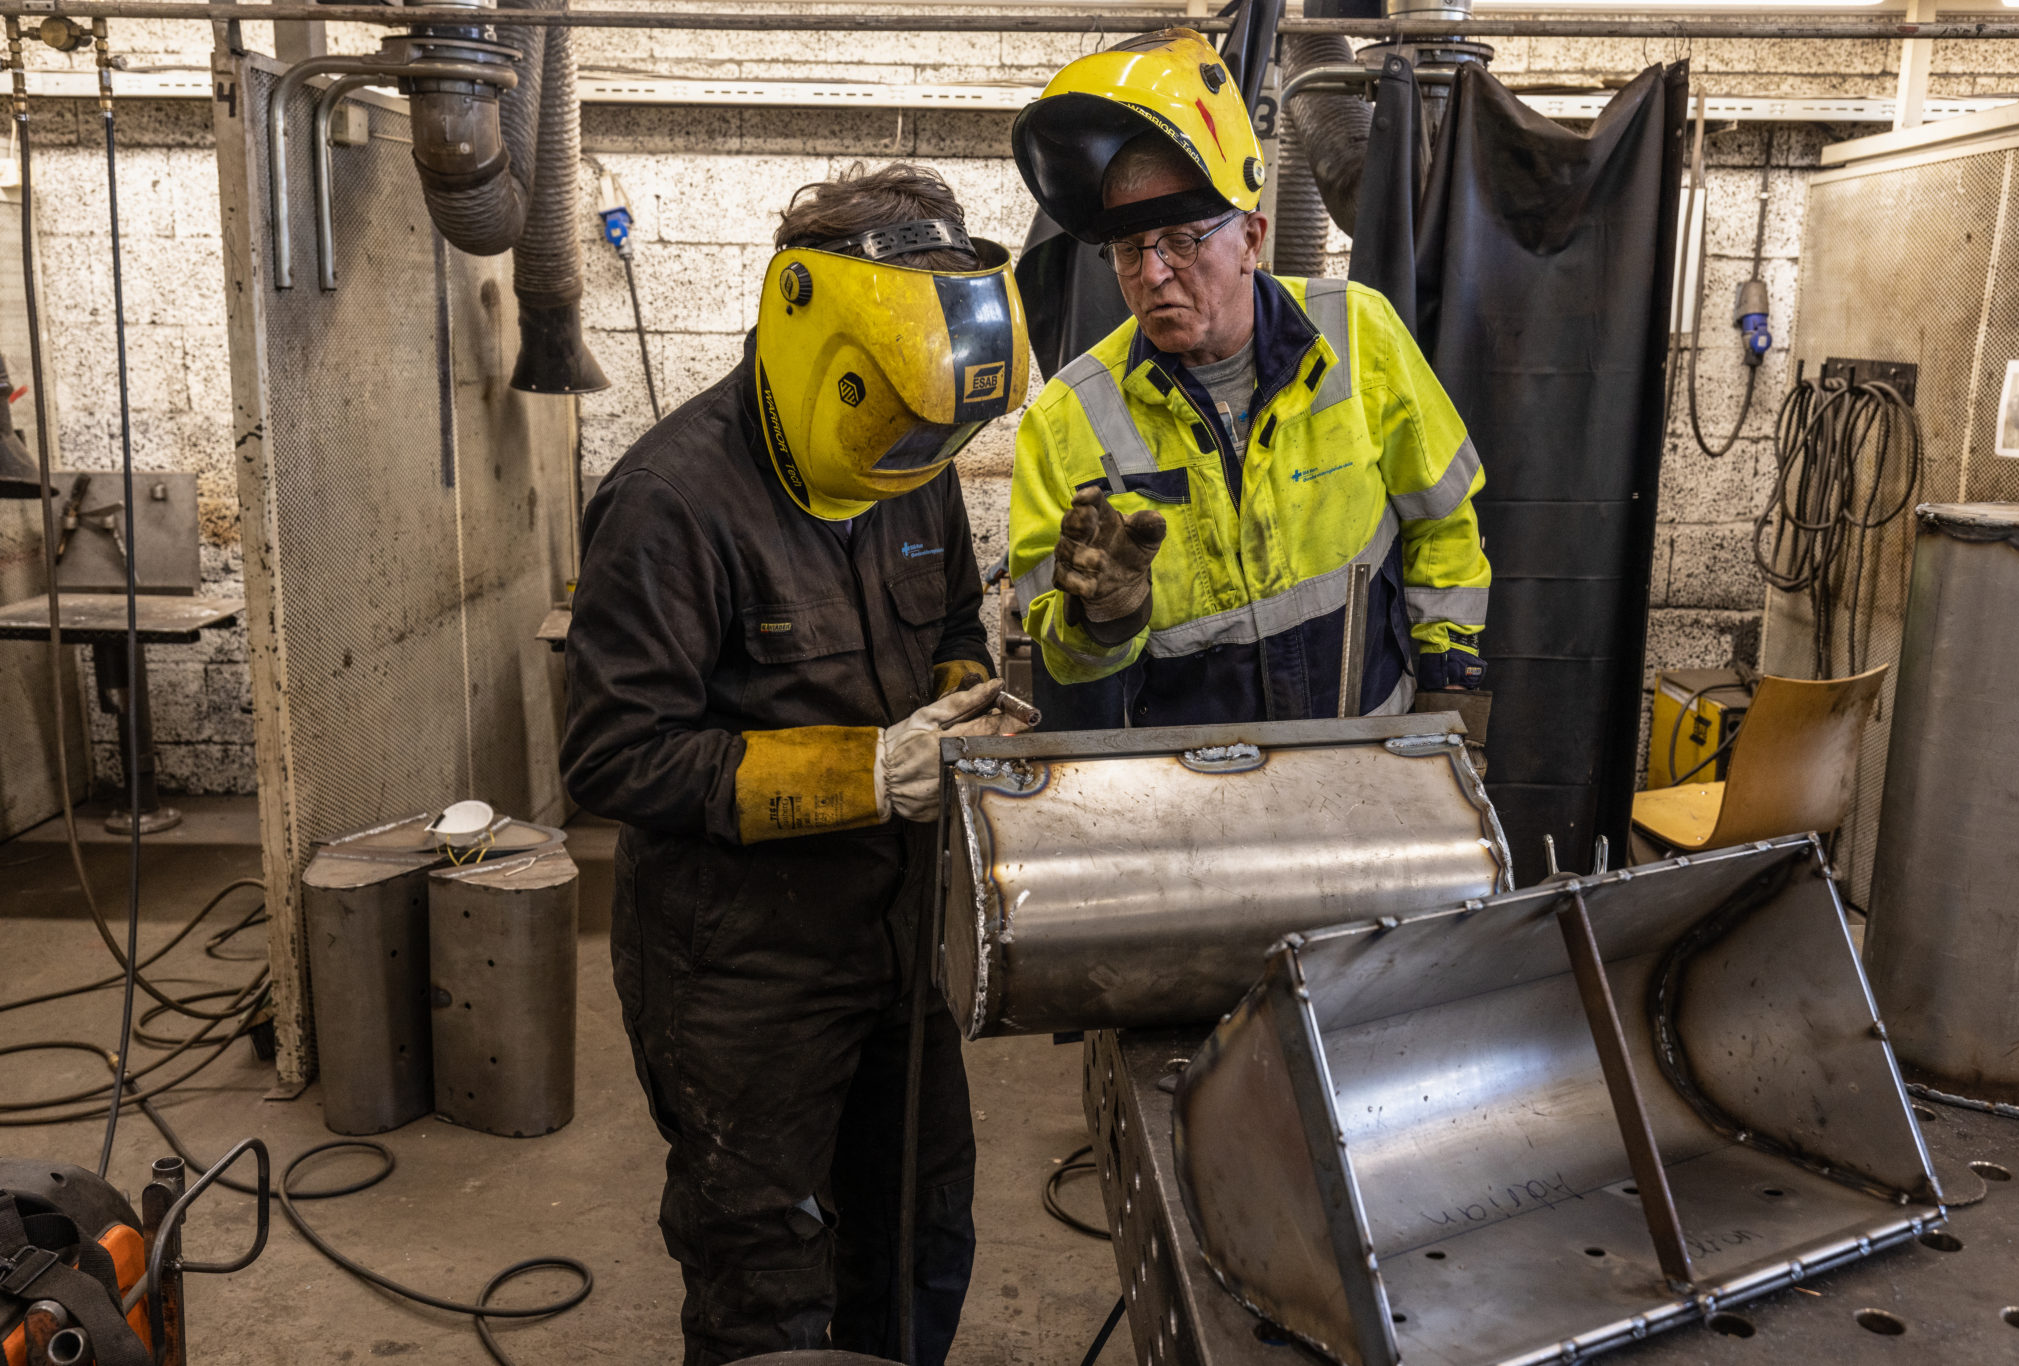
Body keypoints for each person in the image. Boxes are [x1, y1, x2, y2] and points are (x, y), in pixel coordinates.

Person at [559, 162, 1029, 1365]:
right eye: (903, 420)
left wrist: (956, 712)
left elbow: (952, 630)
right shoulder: (671, 502)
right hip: (737, 971)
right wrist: (868, 774)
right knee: (762, 1275)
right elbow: (613, 756)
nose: (920, 450)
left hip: (899, 941)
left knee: (919, 1236)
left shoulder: (909, 455)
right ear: (807, 325)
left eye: (943, 434)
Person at [1008, 29, 1492, 726]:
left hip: (1364, 766)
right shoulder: (1063, 423)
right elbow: (1060, 658)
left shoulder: (1361, 333)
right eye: (1127, 248)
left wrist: (1454, 706)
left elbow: (1443, 525)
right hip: (1196, 801)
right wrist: (1102, 617)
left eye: (1180, 240)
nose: (1150, 274)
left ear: (1252, 240)